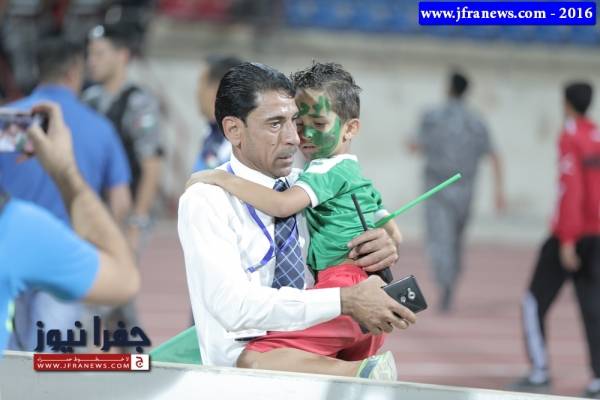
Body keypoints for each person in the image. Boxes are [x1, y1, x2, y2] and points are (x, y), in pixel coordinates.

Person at [178, 62, 416, 380]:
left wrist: (382, 244)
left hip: (323, 355)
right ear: (234, 130)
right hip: (246, 381)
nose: (294, 138)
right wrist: (343, 301)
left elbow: (371, 227)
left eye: (295, 121)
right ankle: (357, 375)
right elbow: (233, 307)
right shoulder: (207, 199)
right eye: (276, 124)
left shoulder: (308, 187)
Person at [0, 37, 132, 351]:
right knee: (50, 363)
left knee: (10, 360)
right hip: (66, 259)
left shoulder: (9, 122)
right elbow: (120, 200)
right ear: (74, 71)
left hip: (8, 251)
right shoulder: (99, 127)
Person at [509, 82, 600, 399]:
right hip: (597, 235)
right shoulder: (596, 134)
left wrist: (568, 239)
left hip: (571, 234)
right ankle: (598, 379)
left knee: (533, 301)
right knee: (593, 305)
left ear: (566, 103)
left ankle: (539, 372)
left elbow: (570, 188)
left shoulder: (570, 136)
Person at [83, 23, 163, 335]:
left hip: (125, 214)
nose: (92, 61)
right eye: (90, 54)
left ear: (122, 56)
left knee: (109, 288)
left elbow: (151, 165)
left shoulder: (138, 102)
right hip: (96, 211)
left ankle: (128, 347)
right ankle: (133, 349)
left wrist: (136, 222)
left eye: (100, 54)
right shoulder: (89, 100)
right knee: (113, 292)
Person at [408, 70, 505, 312]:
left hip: (437, 189)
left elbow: (414, 145)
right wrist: (499, 192)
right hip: (465, 190)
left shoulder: (432, 116)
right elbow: (494, 155)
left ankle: (445, 283)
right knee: (455, 241)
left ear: (448, 88)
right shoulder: (476, 121)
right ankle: (450, 282)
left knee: (439, 239)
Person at [192, 55, 243, 172]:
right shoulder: (210, 132)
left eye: (201, 83)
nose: (197, 92)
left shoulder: (238, 142)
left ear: (216, 90)